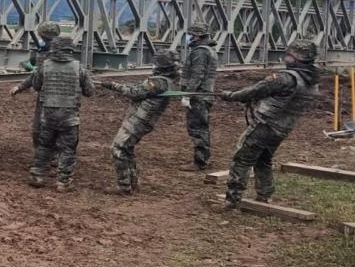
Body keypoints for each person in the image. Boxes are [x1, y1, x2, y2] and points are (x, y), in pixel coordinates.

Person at [215, 40, 320, 211]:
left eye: (289, 55)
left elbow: (255, 90)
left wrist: (230, 95)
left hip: (265, 125)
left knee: (241, 159)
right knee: (263, 159)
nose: (286, 58)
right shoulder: (311, 81)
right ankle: (264, 196)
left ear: (296, 57)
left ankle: (232, 201)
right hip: (282, 129)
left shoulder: (284, 78)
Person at [11, 36, 93, 190]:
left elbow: (35, 86)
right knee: (68, 148)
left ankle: (37, 175)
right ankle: (63, 182)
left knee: (44, 145)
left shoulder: (45, 66)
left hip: (48, 114)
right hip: (69, 116)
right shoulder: (79, 67)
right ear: (70, 49)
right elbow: (89, 91)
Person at [98, 50, 180, 196]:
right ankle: (132, 183)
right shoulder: (166, 81)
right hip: (143, 121)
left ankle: (124, 186)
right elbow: (139, 89)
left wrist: (113, 85)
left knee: (118, 149)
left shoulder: (157, 82)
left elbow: (134, 93)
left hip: (138, 121)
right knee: (127, 150)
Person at [11, 22, 63, 155]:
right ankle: (45, 155)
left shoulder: (61, 55)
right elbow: (37, 73)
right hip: (46, 97)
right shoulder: (43, 51)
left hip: (57, 98)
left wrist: (21, 86)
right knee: (39, 130)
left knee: (51, 129)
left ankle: (52, 156)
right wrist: (20, 87)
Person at [180, 23, 218, 171]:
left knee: (197, 128)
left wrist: (188, 95)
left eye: (191, 35)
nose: (189, 38)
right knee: (202, 127)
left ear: (197, 36)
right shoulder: (208, 50)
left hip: (198, 96)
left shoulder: (200, 52)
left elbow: (197, 75)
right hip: (204, 95)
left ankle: (200, 161)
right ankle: (203, 158)